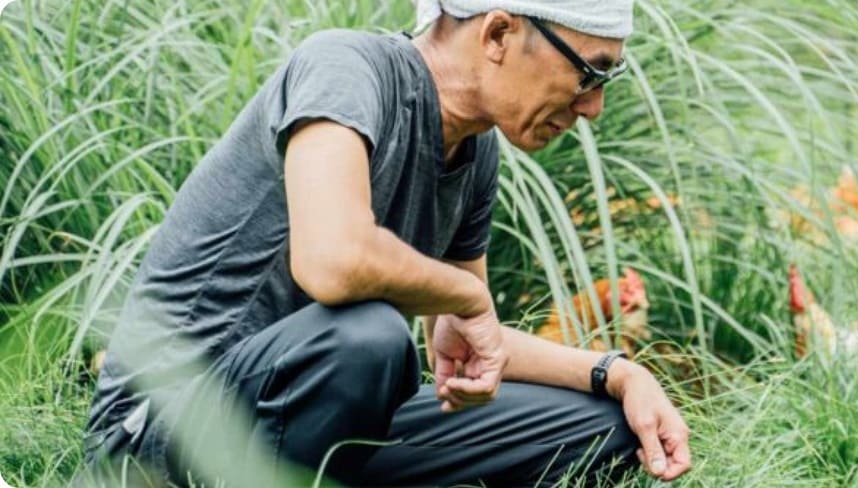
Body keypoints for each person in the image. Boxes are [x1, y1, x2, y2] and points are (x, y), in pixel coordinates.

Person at [79, 0, 692, 485]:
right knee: (369, 338)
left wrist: (615, 374)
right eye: (588, 71)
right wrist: (461, 296)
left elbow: (471, 336)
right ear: (499, 34)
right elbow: (333, 261)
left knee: (602, 429)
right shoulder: (344, 68)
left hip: (324, 411)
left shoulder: (476, 153)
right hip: (158, 431)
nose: (594, 106)